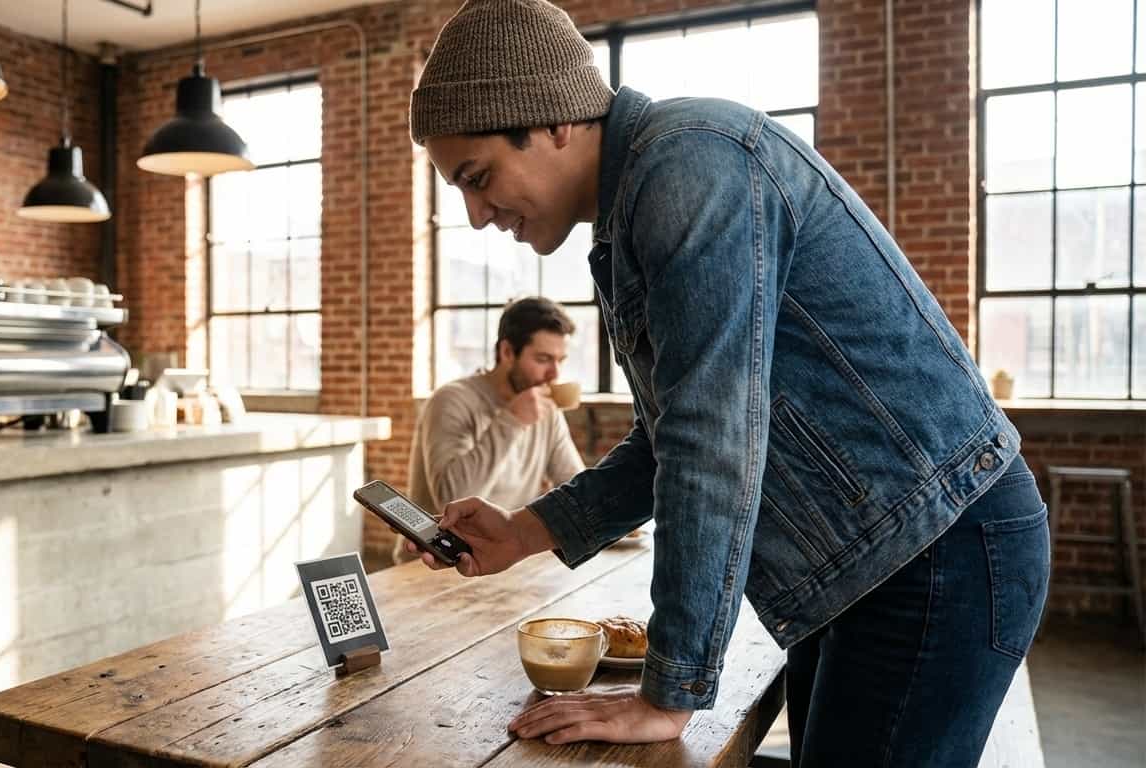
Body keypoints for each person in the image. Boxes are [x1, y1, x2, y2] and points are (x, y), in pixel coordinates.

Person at [405, 1, 1050, 765]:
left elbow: (710, 440)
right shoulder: (641, 198)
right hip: (884, 554)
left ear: (554, 123)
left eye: (479, 179)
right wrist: (523, 533)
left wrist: (668, 692)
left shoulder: (687, 169)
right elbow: (671, 439)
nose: (478, 216)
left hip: (937, 552)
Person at [398, 296, 586, 563]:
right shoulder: (451, 400)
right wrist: (512, 421)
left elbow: (575, 489)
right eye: (543, 359)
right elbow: (451, 501)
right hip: (436, 563)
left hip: (502, 560)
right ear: (507, 352)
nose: (554, 374)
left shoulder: (547, 411)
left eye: (560, 360)